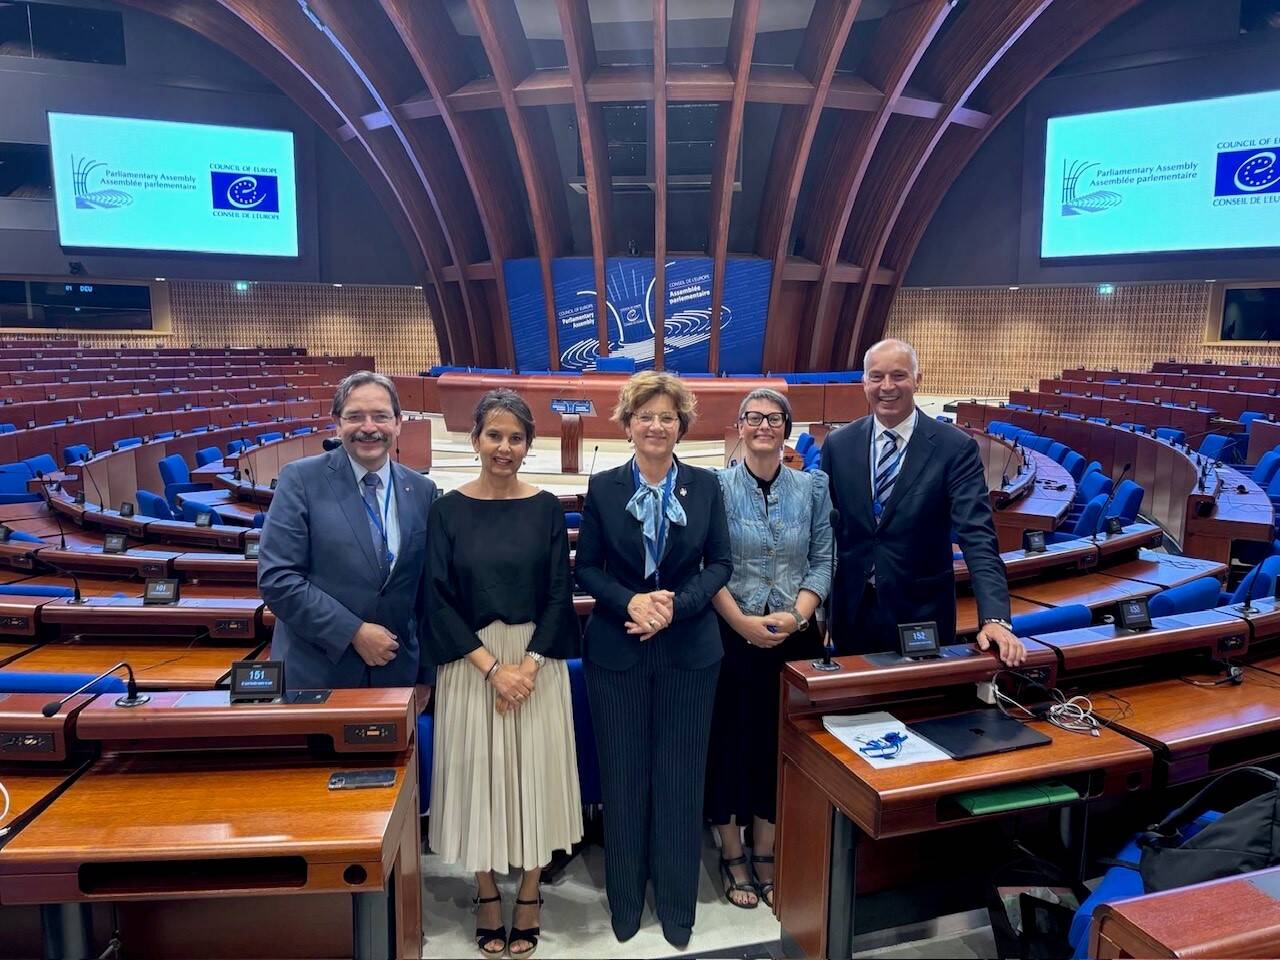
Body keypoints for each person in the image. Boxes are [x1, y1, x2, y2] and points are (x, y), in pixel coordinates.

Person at [575, 371, 732, 948]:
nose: (656, 426)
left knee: (680, 779)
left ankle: (676, 904)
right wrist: (632, 602)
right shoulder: (604, 487)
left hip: (689, 651)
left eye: (667, 417)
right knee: (622, 777)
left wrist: (673, 608)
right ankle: (624, 899)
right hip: (617, 651)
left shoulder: (706, 485)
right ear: (628, 424)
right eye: (646, 416)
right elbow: (586, 569)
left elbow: (720, 563)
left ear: (681, 426)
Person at [425, 389, 581, 960]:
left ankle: (532, 889)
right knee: (479, 777)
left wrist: (527, 667)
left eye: (516, 438)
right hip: (473, 663)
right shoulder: (446, 509)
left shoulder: (545, 508)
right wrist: (494, 670)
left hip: (535, 662)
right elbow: (437, 598)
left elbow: (560, 594)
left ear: (528, 445)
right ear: (475, 440)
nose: (504, 447)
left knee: (535, 773)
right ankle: (487, 889)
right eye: (494, 435)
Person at [820, 339, 1026, 666]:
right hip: (852, 613)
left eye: (898, 375)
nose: (887, 386)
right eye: (876, 377)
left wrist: (995, 618)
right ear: (864, 383)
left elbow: (977, 536)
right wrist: (820, 611)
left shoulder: (954, 448)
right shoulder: (838, 444)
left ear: (918, 380)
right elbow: (824, 532)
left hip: (921, 613)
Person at [706, 388, 832, 910]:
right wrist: (742, 622)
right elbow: (705, 564)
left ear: (786, 429)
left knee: (779, 745)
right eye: (753, 418)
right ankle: (732, 851)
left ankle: (766, 850)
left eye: (774, 418)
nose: (763, 426)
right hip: (729, 635)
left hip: (792, 639)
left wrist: (797, 615)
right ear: (739, 426)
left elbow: (823, 559)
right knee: (729, 742)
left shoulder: (812, 487)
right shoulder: (714, 487)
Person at [258, 370, 437, 699]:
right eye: (355, 416)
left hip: (397, 676)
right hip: (318, 674)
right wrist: (353, 632)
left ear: (398, 422)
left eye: (380, 416)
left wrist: (425, 674)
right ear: (337, 424)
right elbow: (278, 579)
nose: (369, 427)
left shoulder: (422, 490)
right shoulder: (300, 480)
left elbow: (428, 591)